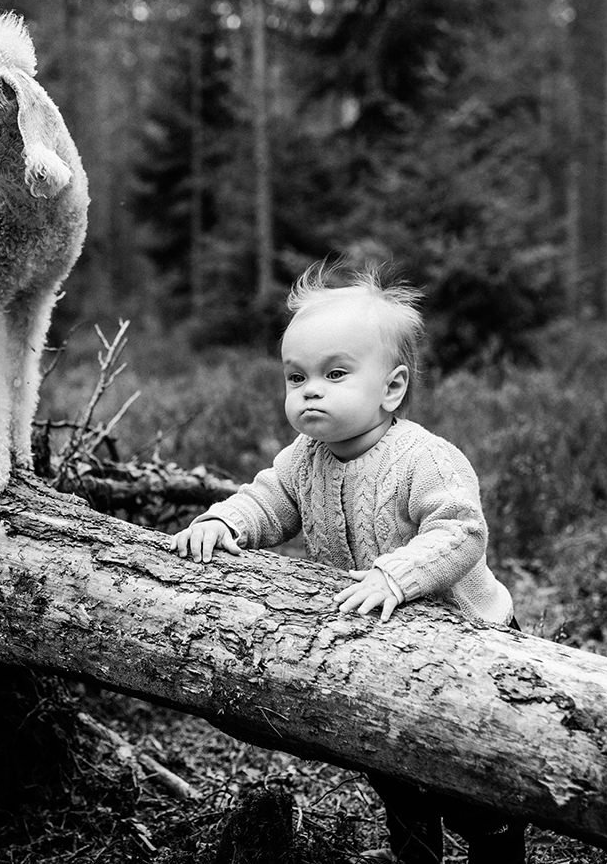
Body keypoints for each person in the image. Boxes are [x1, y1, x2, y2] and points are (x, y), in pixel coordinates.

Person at [171, 262, 526, 864]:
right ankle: (416, 851)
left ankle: (496, 840)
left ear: (391, 388)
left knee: (466, 770)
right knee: (392, 765)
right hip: (380, 644)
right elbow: (269, 501)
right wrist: (224, 521)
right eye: (296, 376)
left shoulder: (424, 459)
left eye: (335, 374)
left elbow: (461, 531)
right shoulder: (304, 458)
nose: (311, 389)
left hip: (468, 644)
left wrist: (397, 575)